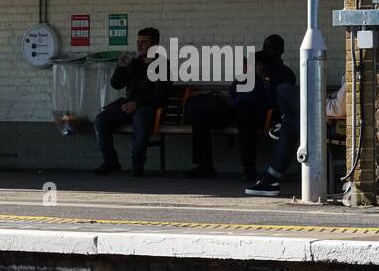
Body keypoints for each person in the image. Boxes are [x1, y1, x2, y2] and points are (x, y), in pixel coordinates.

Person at [187, 34, 295, 181]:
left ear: (281, 51)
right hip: (237, 107)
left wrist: (265, 78)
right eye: (266, 47)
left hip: (262, 112)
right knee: (200, 117)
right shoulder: (255, 67)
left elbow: (277, 101)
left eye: (272, 48)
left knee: (246, 119)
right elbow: (233, 91)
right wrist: (245, 74)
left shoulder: (285, 73)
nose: (268, 51)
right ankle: (205, 167)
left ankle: (248, 169)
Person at [94, 27, 170, 176]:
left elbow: (160, 96)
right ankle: (111, 161)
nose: (139, 45)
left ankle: (137, 163)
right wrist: (121, 67)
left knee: (141, 119)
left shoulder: (163, 65)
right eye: (138, 42)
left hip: (150, 108)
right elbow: (116, 84)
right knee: (101, 119)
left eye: (144, 42)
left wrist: (137, 104)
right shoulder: (134, 63)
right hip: (129, 106)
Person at [245, 79, 300, 196]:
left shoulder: (349, 84)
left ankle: (271, 180)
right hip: (323, 113)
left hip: (325, 118)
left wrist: (319, 103)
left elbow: (336, 108)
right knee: (283, 89)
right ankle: (284, 122)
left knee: (284, 89)